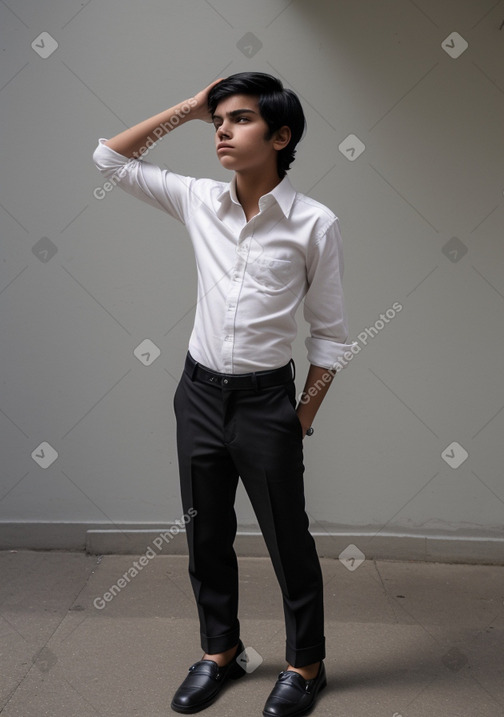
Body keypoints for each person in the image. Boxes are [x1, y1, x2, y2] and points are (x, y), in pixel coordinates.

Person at [93, 72, 354, 716]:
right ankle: (221, 653)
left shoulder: (314, 224)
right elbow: (109, 158)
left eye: (238, 120)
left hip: (269, 404)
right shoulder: (197, 200)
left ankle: (305, 664)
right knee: (204, 533)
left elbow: (331, 338)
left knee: (287, 539)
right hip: (199, 395)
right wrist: (187, 108)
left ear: (281, 135)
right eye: (218, 122)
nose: (222, 132)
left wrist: (301, 419)